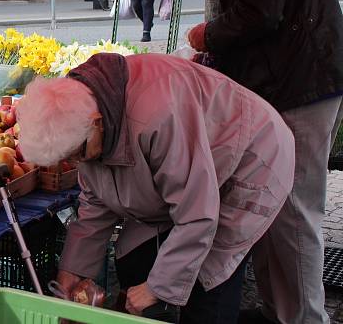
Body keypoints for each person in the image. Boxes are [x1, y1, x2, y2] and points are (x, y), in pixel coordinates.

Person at [179, 0, 343, 324]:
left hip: (300, 89)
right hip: (297, 83)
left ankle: (304, 318)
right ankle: (281, 312)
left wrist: (207, 36)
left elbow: (259, 13)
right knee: (273, 208)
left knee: (292, 211)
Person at [16, 52, 295, 324]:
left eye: (77, 154)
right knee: (136, 262)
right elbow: (96, 203)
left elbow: (197, 215)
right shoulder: (81, 116)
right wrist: (72, 271)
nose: (76, 162)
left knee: (208, 279)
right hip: (191, 171)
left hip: (249, 158)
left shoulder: (158, 117)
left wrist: (157, 289)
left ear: (97, 124)